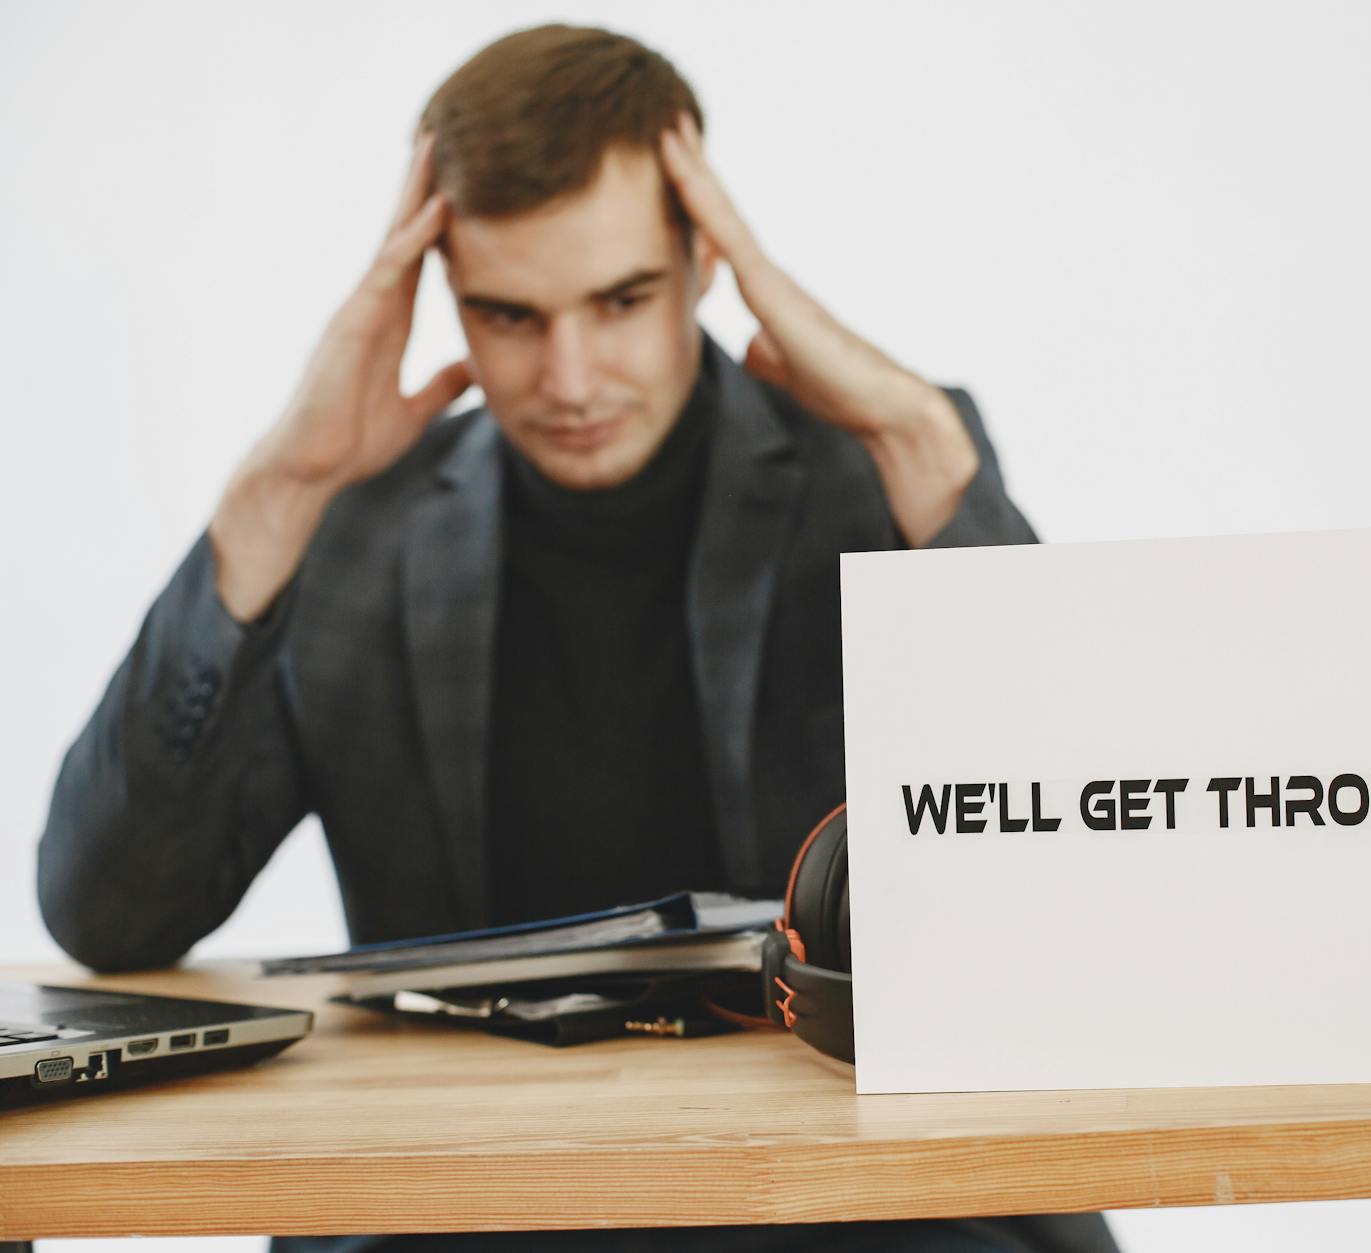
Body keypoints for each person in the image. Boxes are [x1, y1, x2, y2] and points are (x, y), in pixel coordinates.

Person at [36, 23, 1117, 1253]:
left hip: (845, 1202)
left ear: (707, 256)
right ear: (438, 289)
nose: (569, 374)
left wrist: (922, 440)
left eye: (621, 299)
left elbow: (1085, 857)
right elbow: (111, 908)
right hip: (467, 1207)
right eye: (506, 315)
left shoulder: (870, 471)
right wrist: (277, 491)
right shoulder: (353, 523)